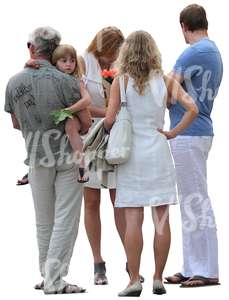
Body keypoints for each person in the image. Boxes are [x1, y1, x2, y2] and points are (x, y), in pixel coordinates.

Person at [104, 30, 198, 296]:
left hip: (131, 155)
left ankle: (134, 279)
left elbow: (109, 121)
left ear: (127, 53)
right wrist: (173, 132)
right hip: (158, 152)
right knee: (161, 220)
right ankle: (158, 277)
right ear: (153, 52)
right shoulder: (166, 80)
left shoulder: (119, 82)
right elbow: (193, 108)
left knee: (133, 220)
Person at [5, 26, 91, 294]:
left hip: (36, 155)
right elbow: (87, 123)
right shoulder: (66, 81)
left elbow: (17, 124)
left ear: (31, 47)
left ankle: (47, 275)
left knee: (44, 219)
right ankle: (55, 280)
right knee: (66, 217)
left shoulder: (14, 82)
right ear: (55, 50)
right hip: (66, 154)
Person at [165, 4, 223, 288]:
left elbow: (169, 89)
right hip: (199, 130)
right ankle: (192, 266)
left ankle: (206, 269)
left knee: (195, 201)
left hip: (189, 132)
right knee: (191, 201)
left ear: (183, 26)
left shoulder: (192, 51)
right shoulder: (214, 52)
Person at [78, 27, 138, 285]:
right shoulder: (81, 62)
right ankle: (97, 262)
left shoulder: (121, 67)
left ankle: (131, 261)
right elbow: (79, 103)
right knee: (91, 201)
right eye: (114, 51)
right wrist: (109, 113)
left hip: (114, 139)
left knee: (119, 201)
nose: (115, 57)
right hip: (89, 138)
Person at [17, 44, 91, 185]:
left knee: (70, 127)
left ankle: (82, 164)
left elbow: (87, 100)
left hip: (73, 116)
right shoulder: (50, 77)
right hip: (54, 120)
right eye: (64, 61)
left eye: (72, 61)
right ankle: (32, 169)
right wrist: (29, 63)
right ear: (55, 62)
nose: (69, 65)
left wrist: (68, 110)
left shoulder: (77, 80)